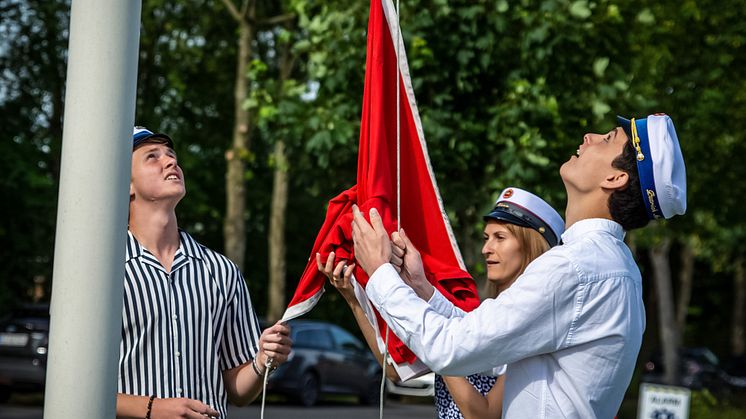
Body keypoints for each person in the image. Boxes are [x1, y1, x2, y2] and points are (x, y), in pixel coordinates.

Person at [351, 114, 686, 417]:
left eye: (608, 138)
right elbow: (494, 349)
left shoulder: (575, 266)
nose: (589, 136)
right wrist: (422, 288)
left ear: (616, 178)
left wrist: (380, 272)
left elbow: (452, 348)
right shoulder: (611, 265)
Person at [318, 187, 564, 419]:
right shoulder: (480, 314)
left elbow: (482, 414)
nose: (486, 249)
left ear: (531, 247)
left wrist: (440, 351)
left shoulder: (534, 322)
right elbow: (395, 370)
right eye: (486, 237)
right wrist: (354, 300)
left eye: (500, 237)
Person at [116, 127, 292, 419]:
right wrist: (153, 409)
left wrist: (262, 361)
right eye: (152, 157)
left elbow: (238, 392)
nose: (171, 162)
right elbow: (76, 386)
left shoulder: (222, 271)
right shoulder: (105, 275)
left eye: (171, 155)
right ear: (128, 185)